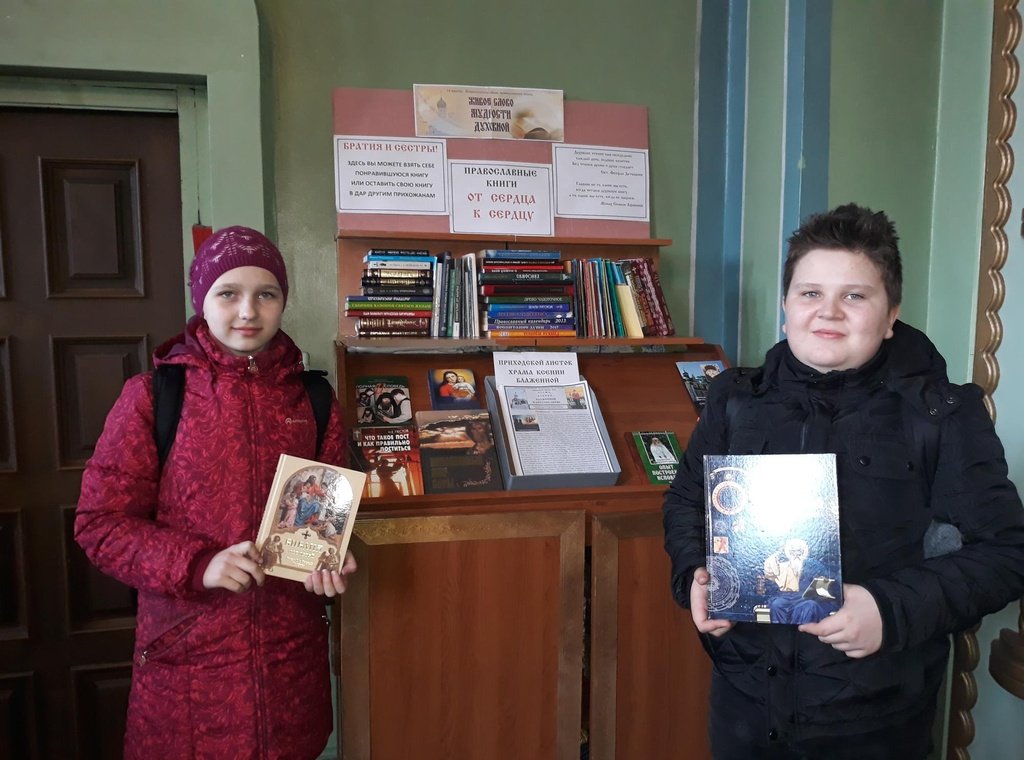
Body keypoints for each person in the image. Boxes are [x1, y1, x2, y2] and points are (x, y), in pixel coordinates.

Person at [662, 204, 1024, 759]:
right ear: (786, 307)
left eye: (855, 295)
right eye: (810, 293)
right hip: (744, 704)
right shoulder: (735, 399)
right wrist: (693, 572)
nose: (828, 311)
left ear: (891, 314)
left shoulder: (942, 416)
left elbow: (1006, 554)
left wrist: (887, 609)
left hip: (874, 720)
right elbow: (687, 500)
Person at [74, 225, 356, 760]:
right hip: (187, 672)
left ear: (283, 301)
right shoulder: (153, 397)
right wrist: (198, 564)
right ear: (201, 300)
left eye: (266, 294)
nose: (248, 311)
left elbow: (324, 518)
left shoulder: (315, 400)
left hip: (290, 674)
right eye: (229, 293)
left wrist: (329, 559)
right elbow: (100, 526)